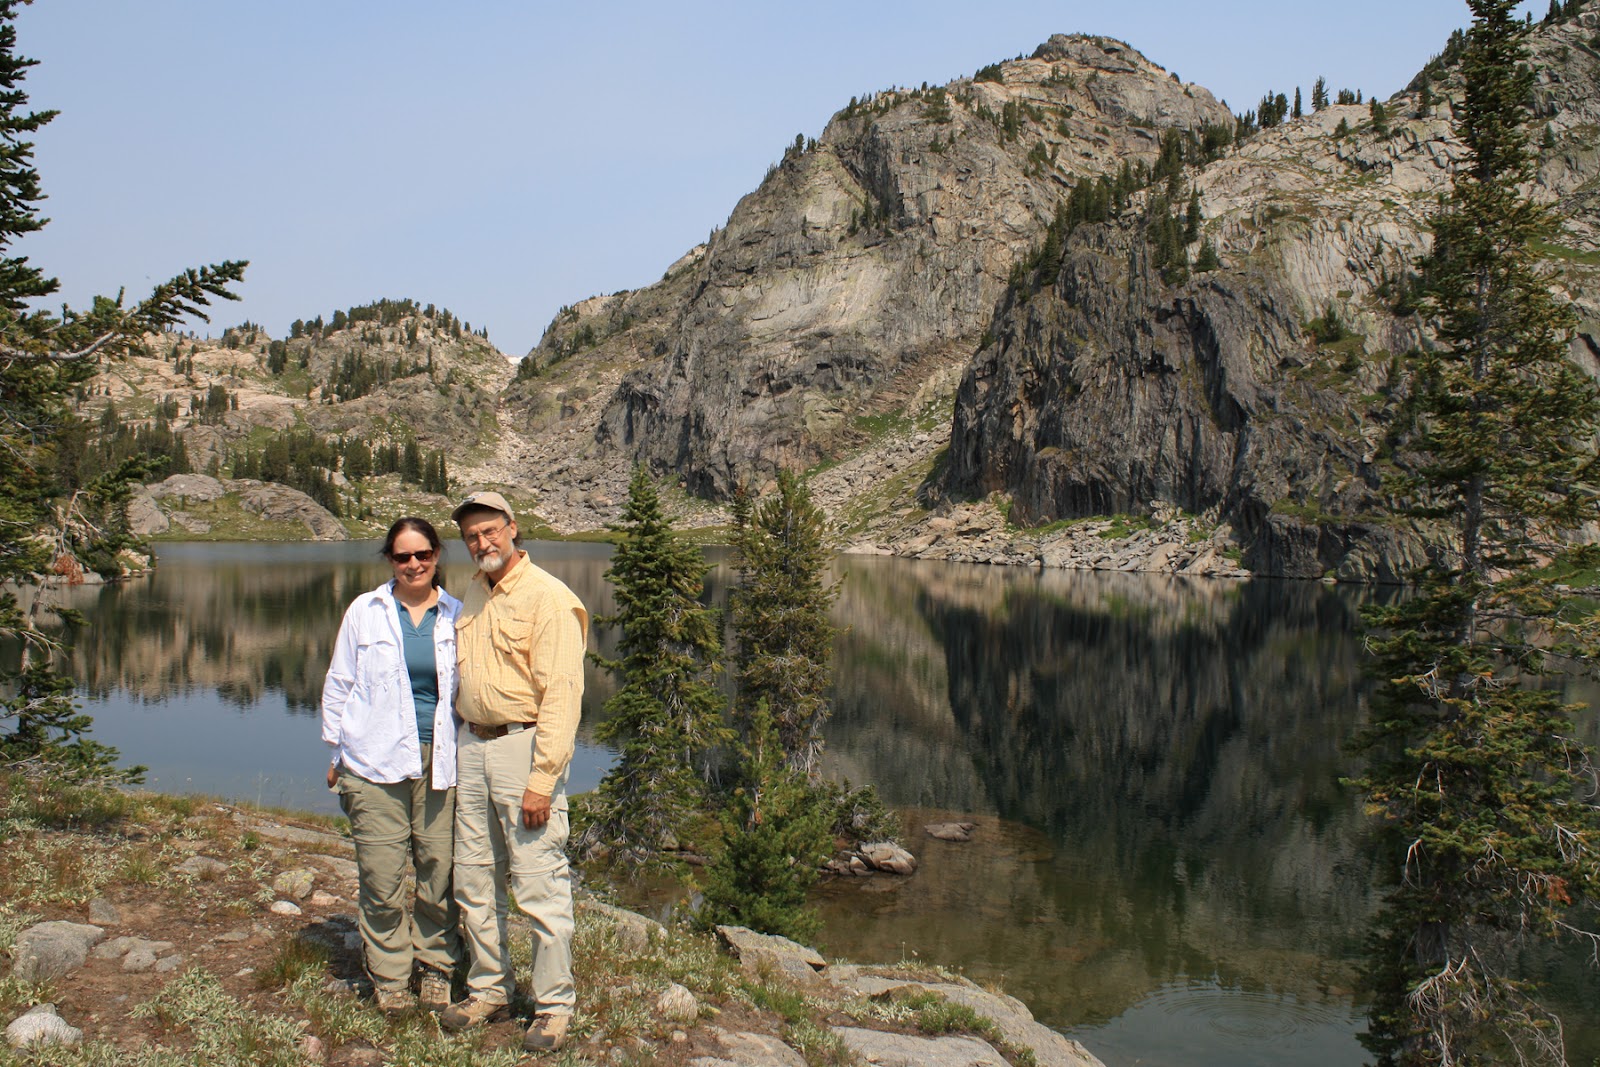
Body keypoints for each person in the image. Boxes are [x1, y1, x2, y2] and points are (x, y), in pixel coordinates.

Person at [440, 490, 587, 1054]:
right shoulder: (474, 593)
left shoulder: (549, 598)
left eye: (490, 531)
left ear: (512, 528)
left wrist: (542, 779)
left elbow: (562, 697)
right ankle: (489, 988)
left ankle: (554, 1005)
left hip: (522, 749)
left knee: (538, 880)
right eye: (472, 536)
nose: (482, 543)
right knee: (474, 875)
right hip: (471, 747)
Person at [320, 517, 464, 1017]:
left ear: (437, 555)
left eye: (422, 554)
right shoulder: (366, 610)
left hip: (440, 762)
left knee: (438, 872)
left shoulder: (456, 615)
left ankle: (438, 968)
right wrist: (336, 754)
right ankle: (390, 977)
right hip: (373, 760)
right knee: (382, 879)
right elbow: (339, 683)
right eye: (403, 557)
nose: (414, 564)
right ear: (390, 560)